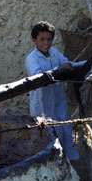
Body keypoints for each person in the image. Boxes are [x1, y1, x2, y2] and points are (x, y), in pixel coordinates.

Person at [25, 21, 85, 161]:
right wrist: (59, 70)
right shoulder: (32, 59)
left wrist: (85, 64)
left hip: (58, 100)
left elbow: (67, 64)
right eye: (42, 39)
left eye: (49, 39)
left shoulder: (54, 53)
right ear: (34, 40)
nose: (46, 43)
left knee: (65, 129)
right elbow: (39, 76)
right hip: (42, 105)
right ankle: (53, 164)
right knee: (49, 134)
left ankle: (70, 162)